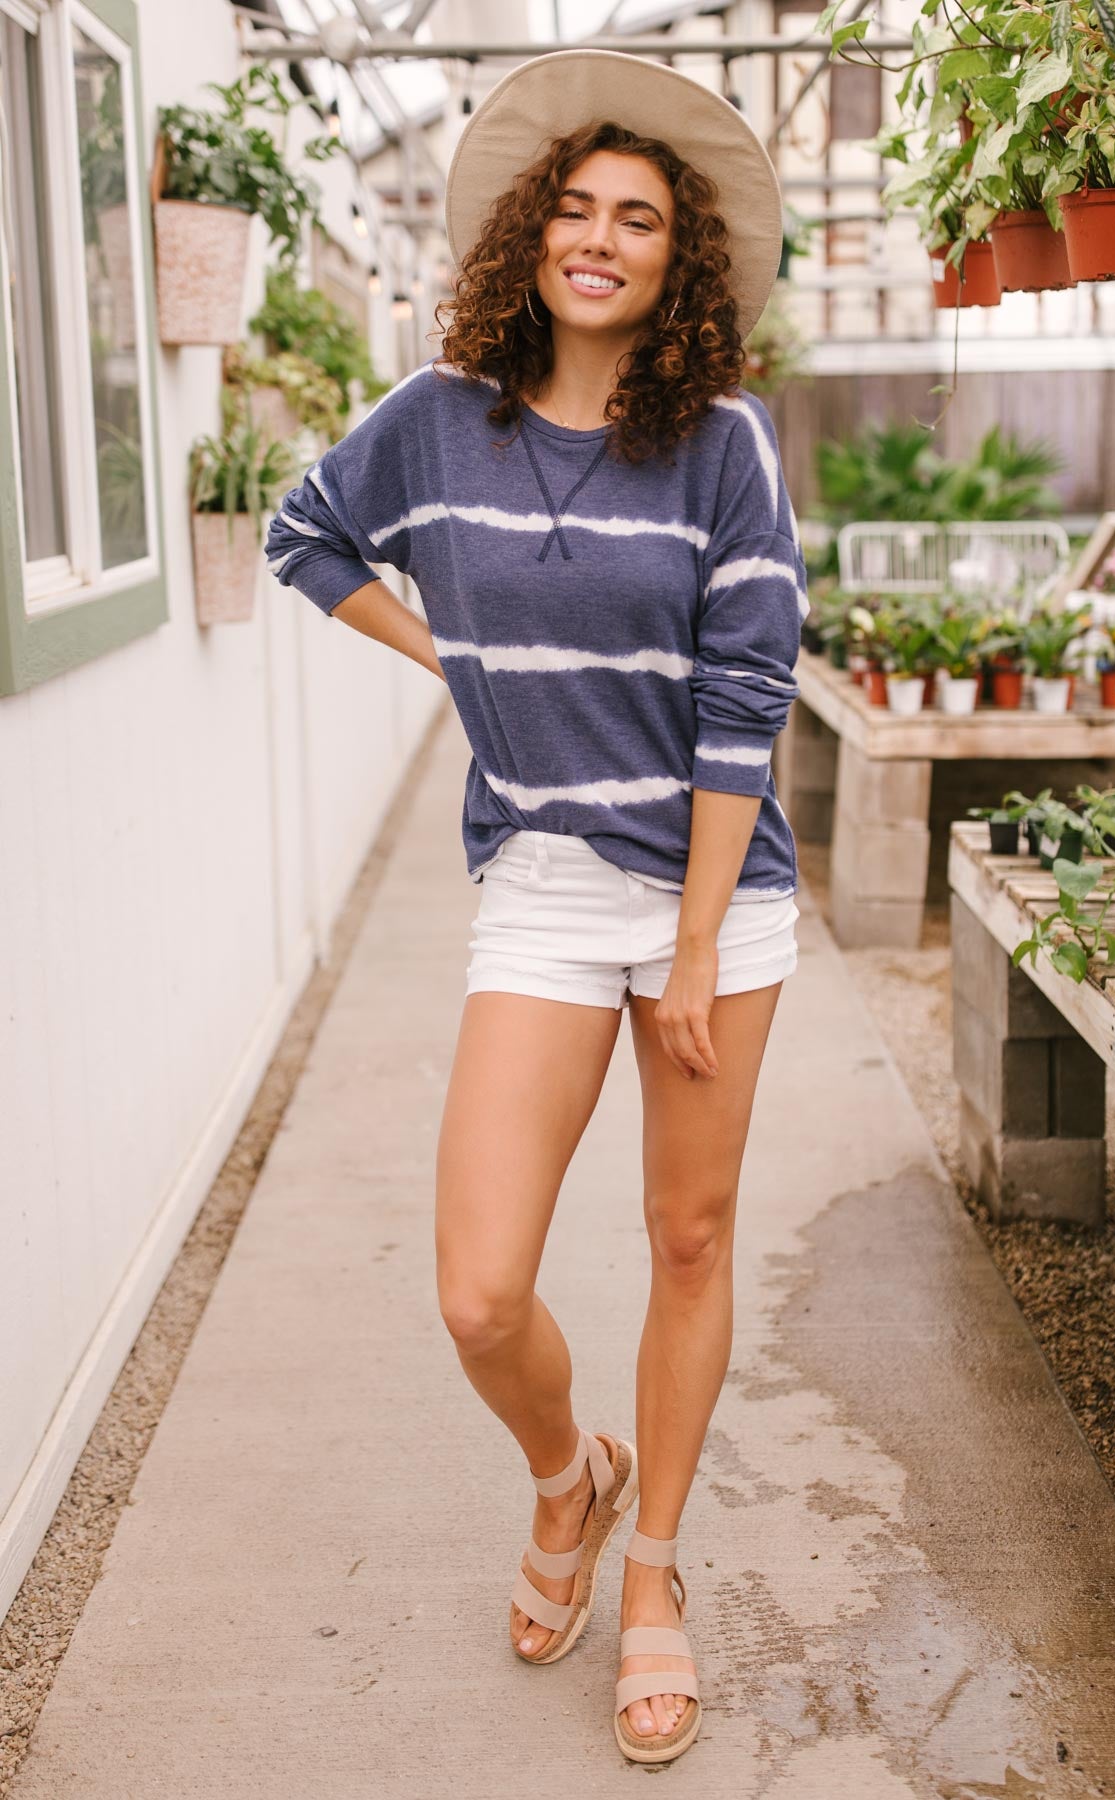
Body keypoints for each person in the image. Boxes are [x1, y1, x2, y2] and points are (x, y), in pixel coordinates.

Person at [265, 46, 807, 1767]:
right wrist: (454, 655)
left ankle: (652, 1576)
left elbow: (746, 700)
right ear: (530, 234)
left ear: (677, 260)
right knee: (482, 1292)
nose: (599, 237)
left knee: (690, 1236)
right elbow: (305, 533)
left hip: (714, 889)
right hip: (548, 884)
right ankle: (571, 1478)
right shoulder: (434, 418)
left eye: (637, 218)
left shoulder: (723, 445)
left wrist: (704, 942)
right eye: (572, 207)